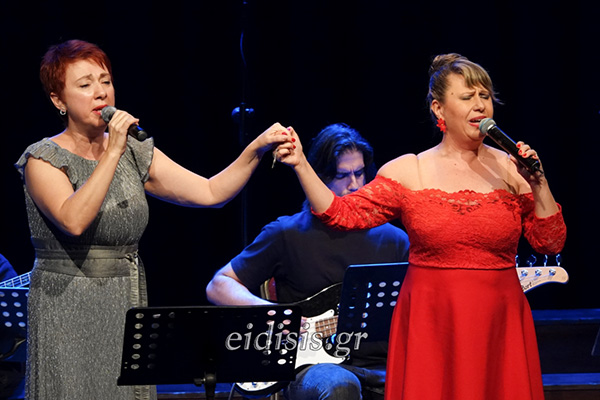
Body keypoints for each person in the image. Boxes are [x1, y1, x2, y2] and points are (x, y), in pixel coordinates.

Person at [14, 39, 293, 400]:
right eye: (84, 84)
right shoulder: (43, 158)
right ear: (58, 100)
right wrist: (112, 150)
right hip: (66, 306)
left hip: (123, 300)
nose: (100, 92)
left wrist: (257, 148)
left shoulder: (133, 150)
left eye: (105, 81)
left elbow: (210, 192)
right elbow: (74, 220)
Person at [276, 54, 567, 400]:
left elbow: (549, 242)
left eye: (485, 96)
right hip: (432, 320)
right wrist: (301, 164)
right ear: (438, 109)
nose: (480, 105)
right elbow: (342, 214)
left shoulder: (511, 168)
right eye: (467, 97)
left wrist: (538, 182)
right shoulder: (410, 170)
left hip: (498, 320)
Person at [206, 123, 410, 400]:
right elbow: (219, 285)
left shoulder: (394, 240)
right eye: (342, 175)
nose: (354, 184)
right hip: (313, 368)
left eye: (360, 173)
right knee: (339, 385)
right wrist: (274, 313)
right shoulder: (286, 233)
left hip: (380, 365)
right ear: (319, 176)